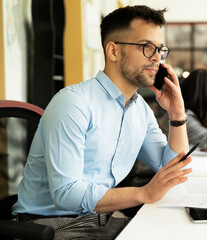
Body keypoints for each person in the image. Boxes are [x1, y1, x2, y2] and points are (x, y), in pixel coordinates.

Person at [12, 5, 192, 239]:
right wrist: (143, 193)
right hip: (48, 225)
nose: (157, 57)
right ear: (113, 51)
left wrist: (177, 114)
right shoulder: (73, 103)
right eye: (147, 47)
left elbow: (174, 171)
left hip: (98, 219)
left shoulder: (140, 111)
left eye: (160, 49)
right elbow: (66, 194)